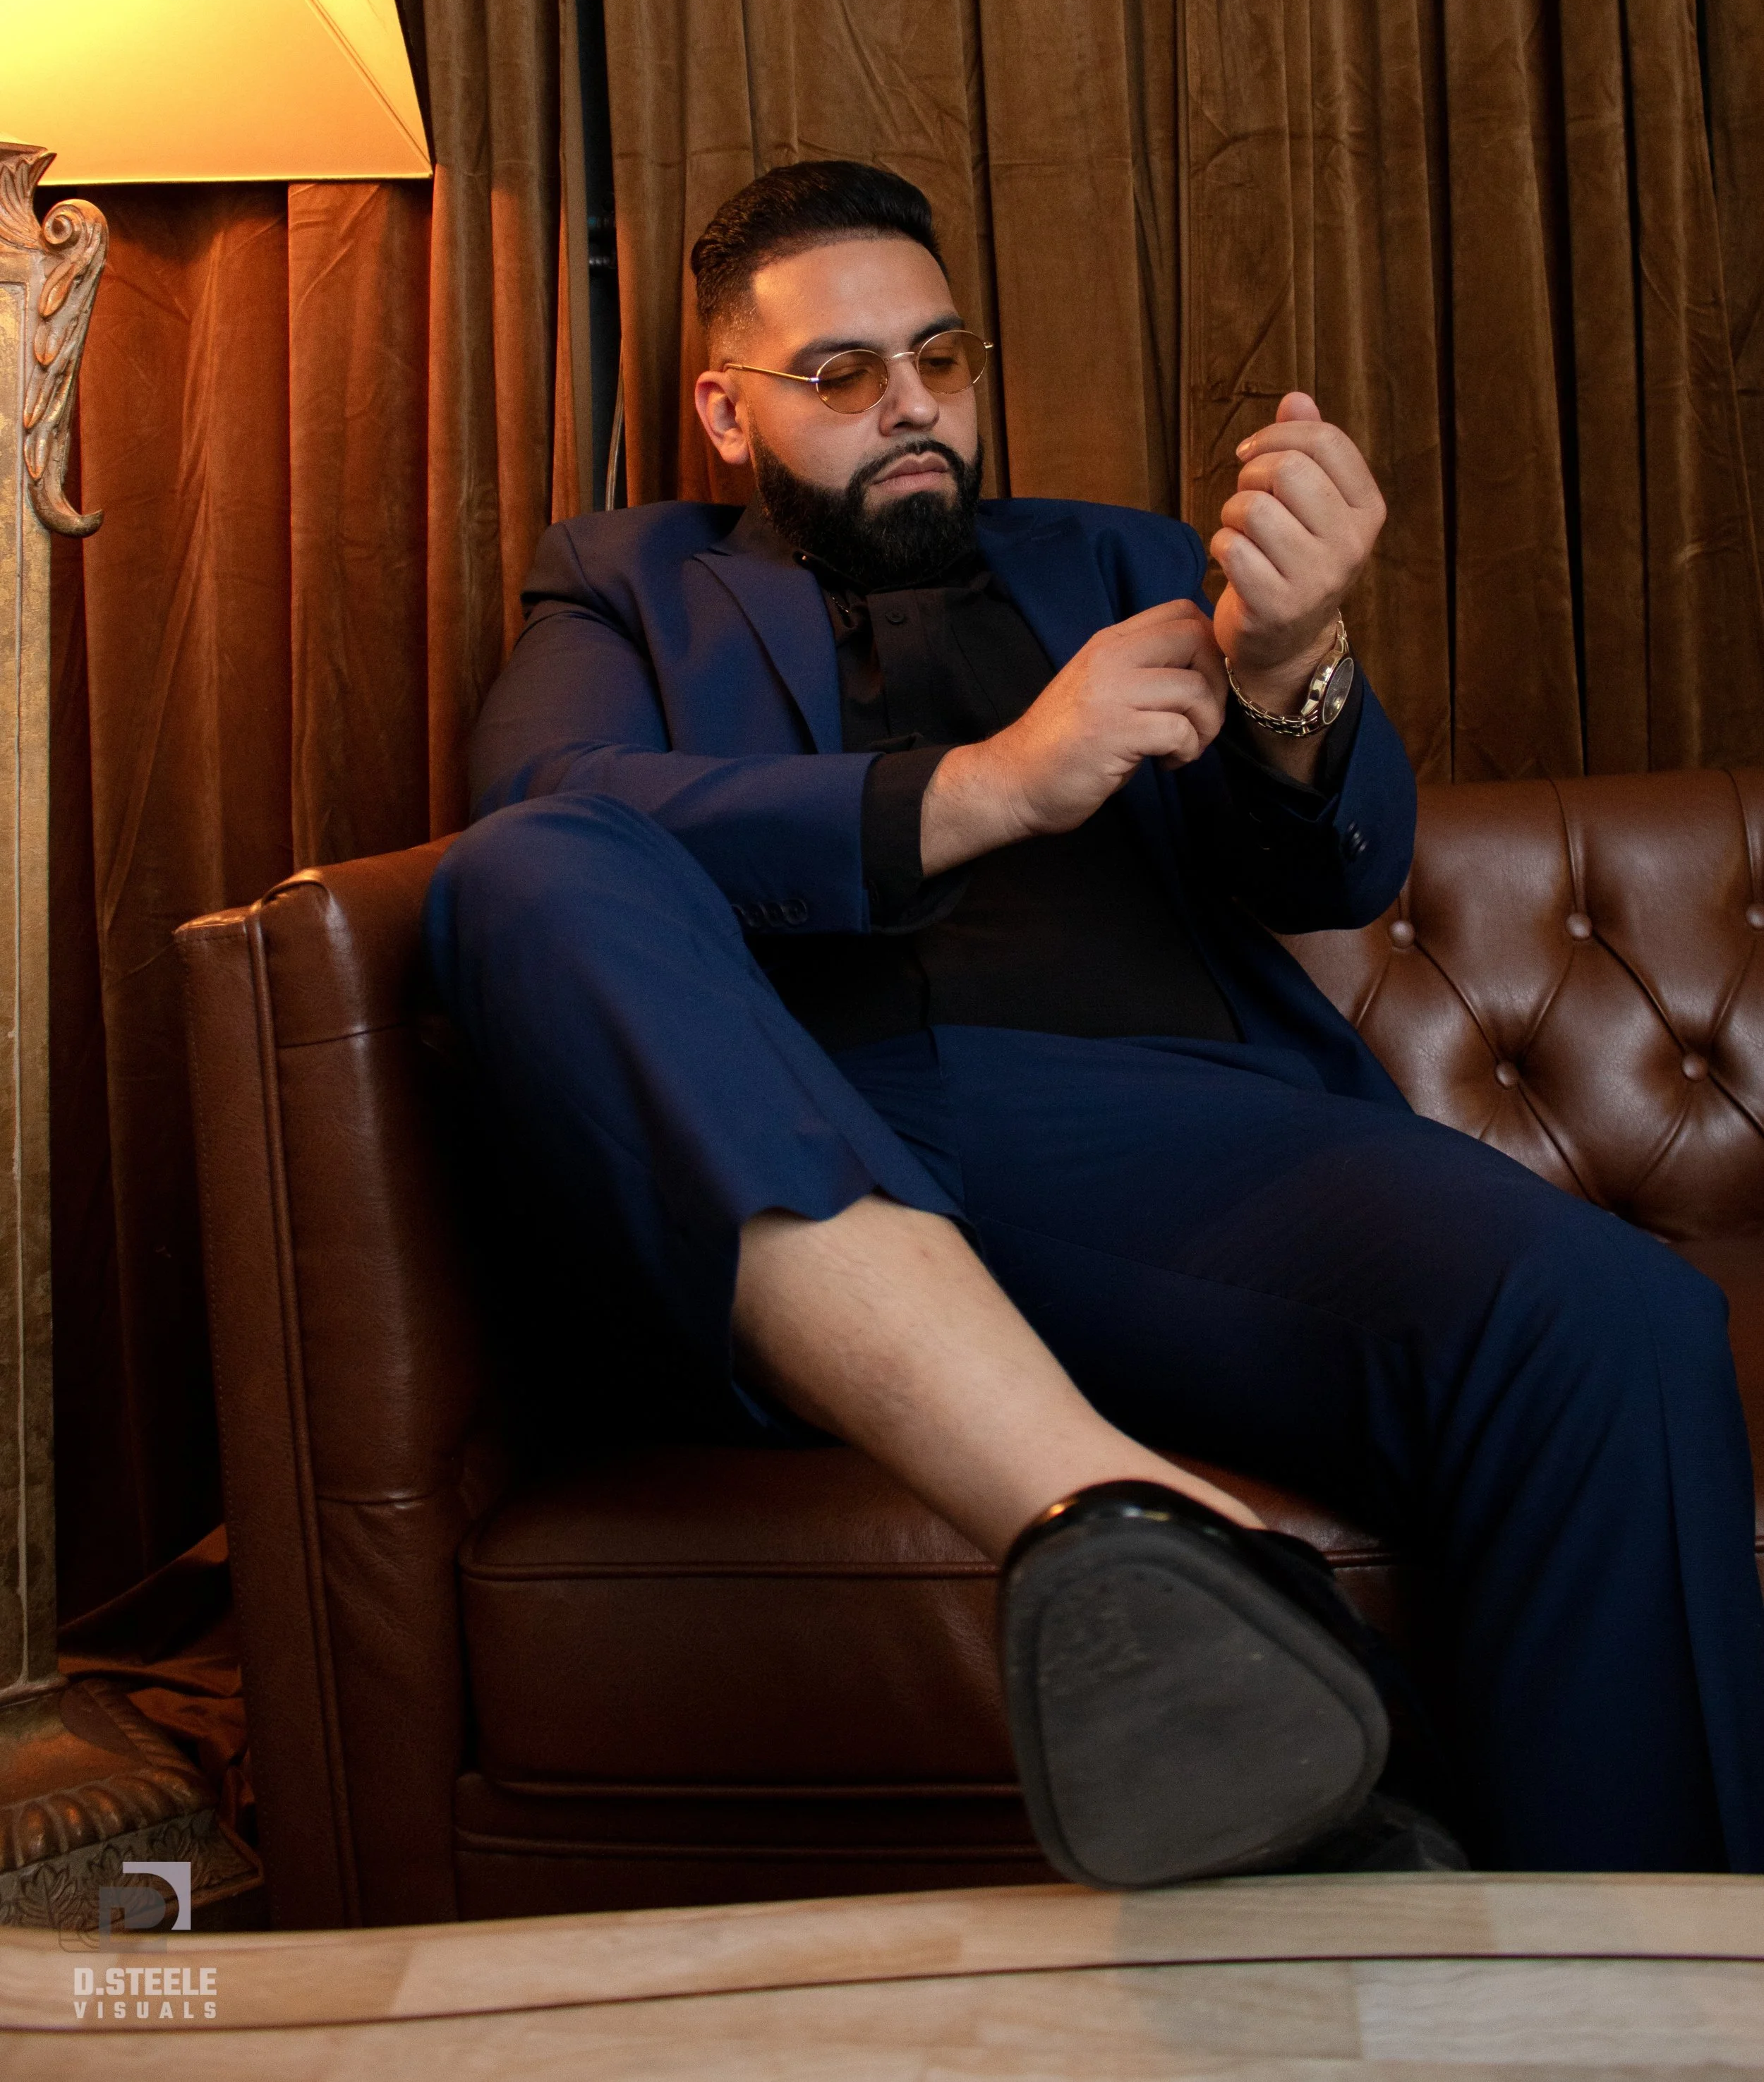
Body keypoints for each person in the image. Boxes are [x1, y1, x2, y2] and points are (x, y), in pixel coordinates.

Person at [428, 159, 1764, 1886]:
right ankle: (1137, 1533)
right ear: (725, 412)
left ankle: (1628, 2018)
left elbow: (1335, 869)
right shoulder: (623, 586)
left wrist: (1295, 672)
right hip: (793, 1146)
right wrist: (986, 786)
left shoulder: (1124, 565)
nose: (910, 407)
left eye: (940, 359)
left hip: (1172, 1147)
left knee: (1614, 1319)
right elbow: (546, 802)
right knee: (528, 864)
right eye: (840, 377)